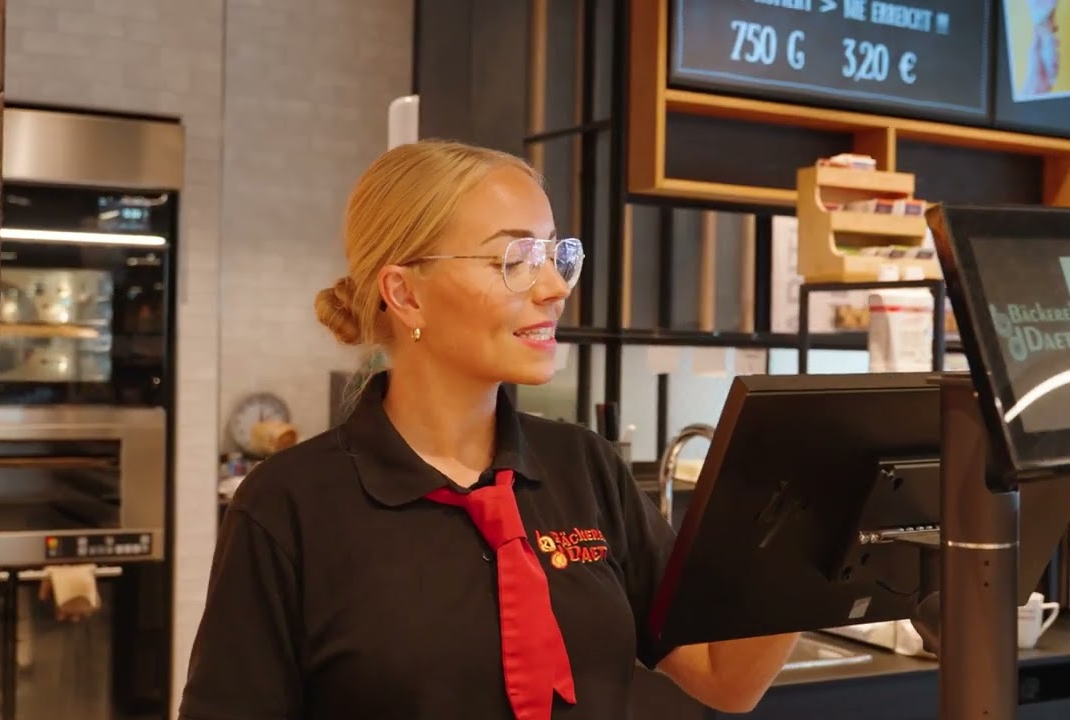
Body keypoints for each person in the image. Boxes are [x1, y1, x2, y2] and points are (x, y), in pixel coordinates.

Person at [178, 140, 799, 720]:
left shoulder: (584, 467)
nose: (555, 289)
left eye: (555, 254)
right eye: (517, 258)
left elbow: (725, 677)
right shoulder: (289, 506)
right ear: (406, 294)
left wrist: (815, 527)